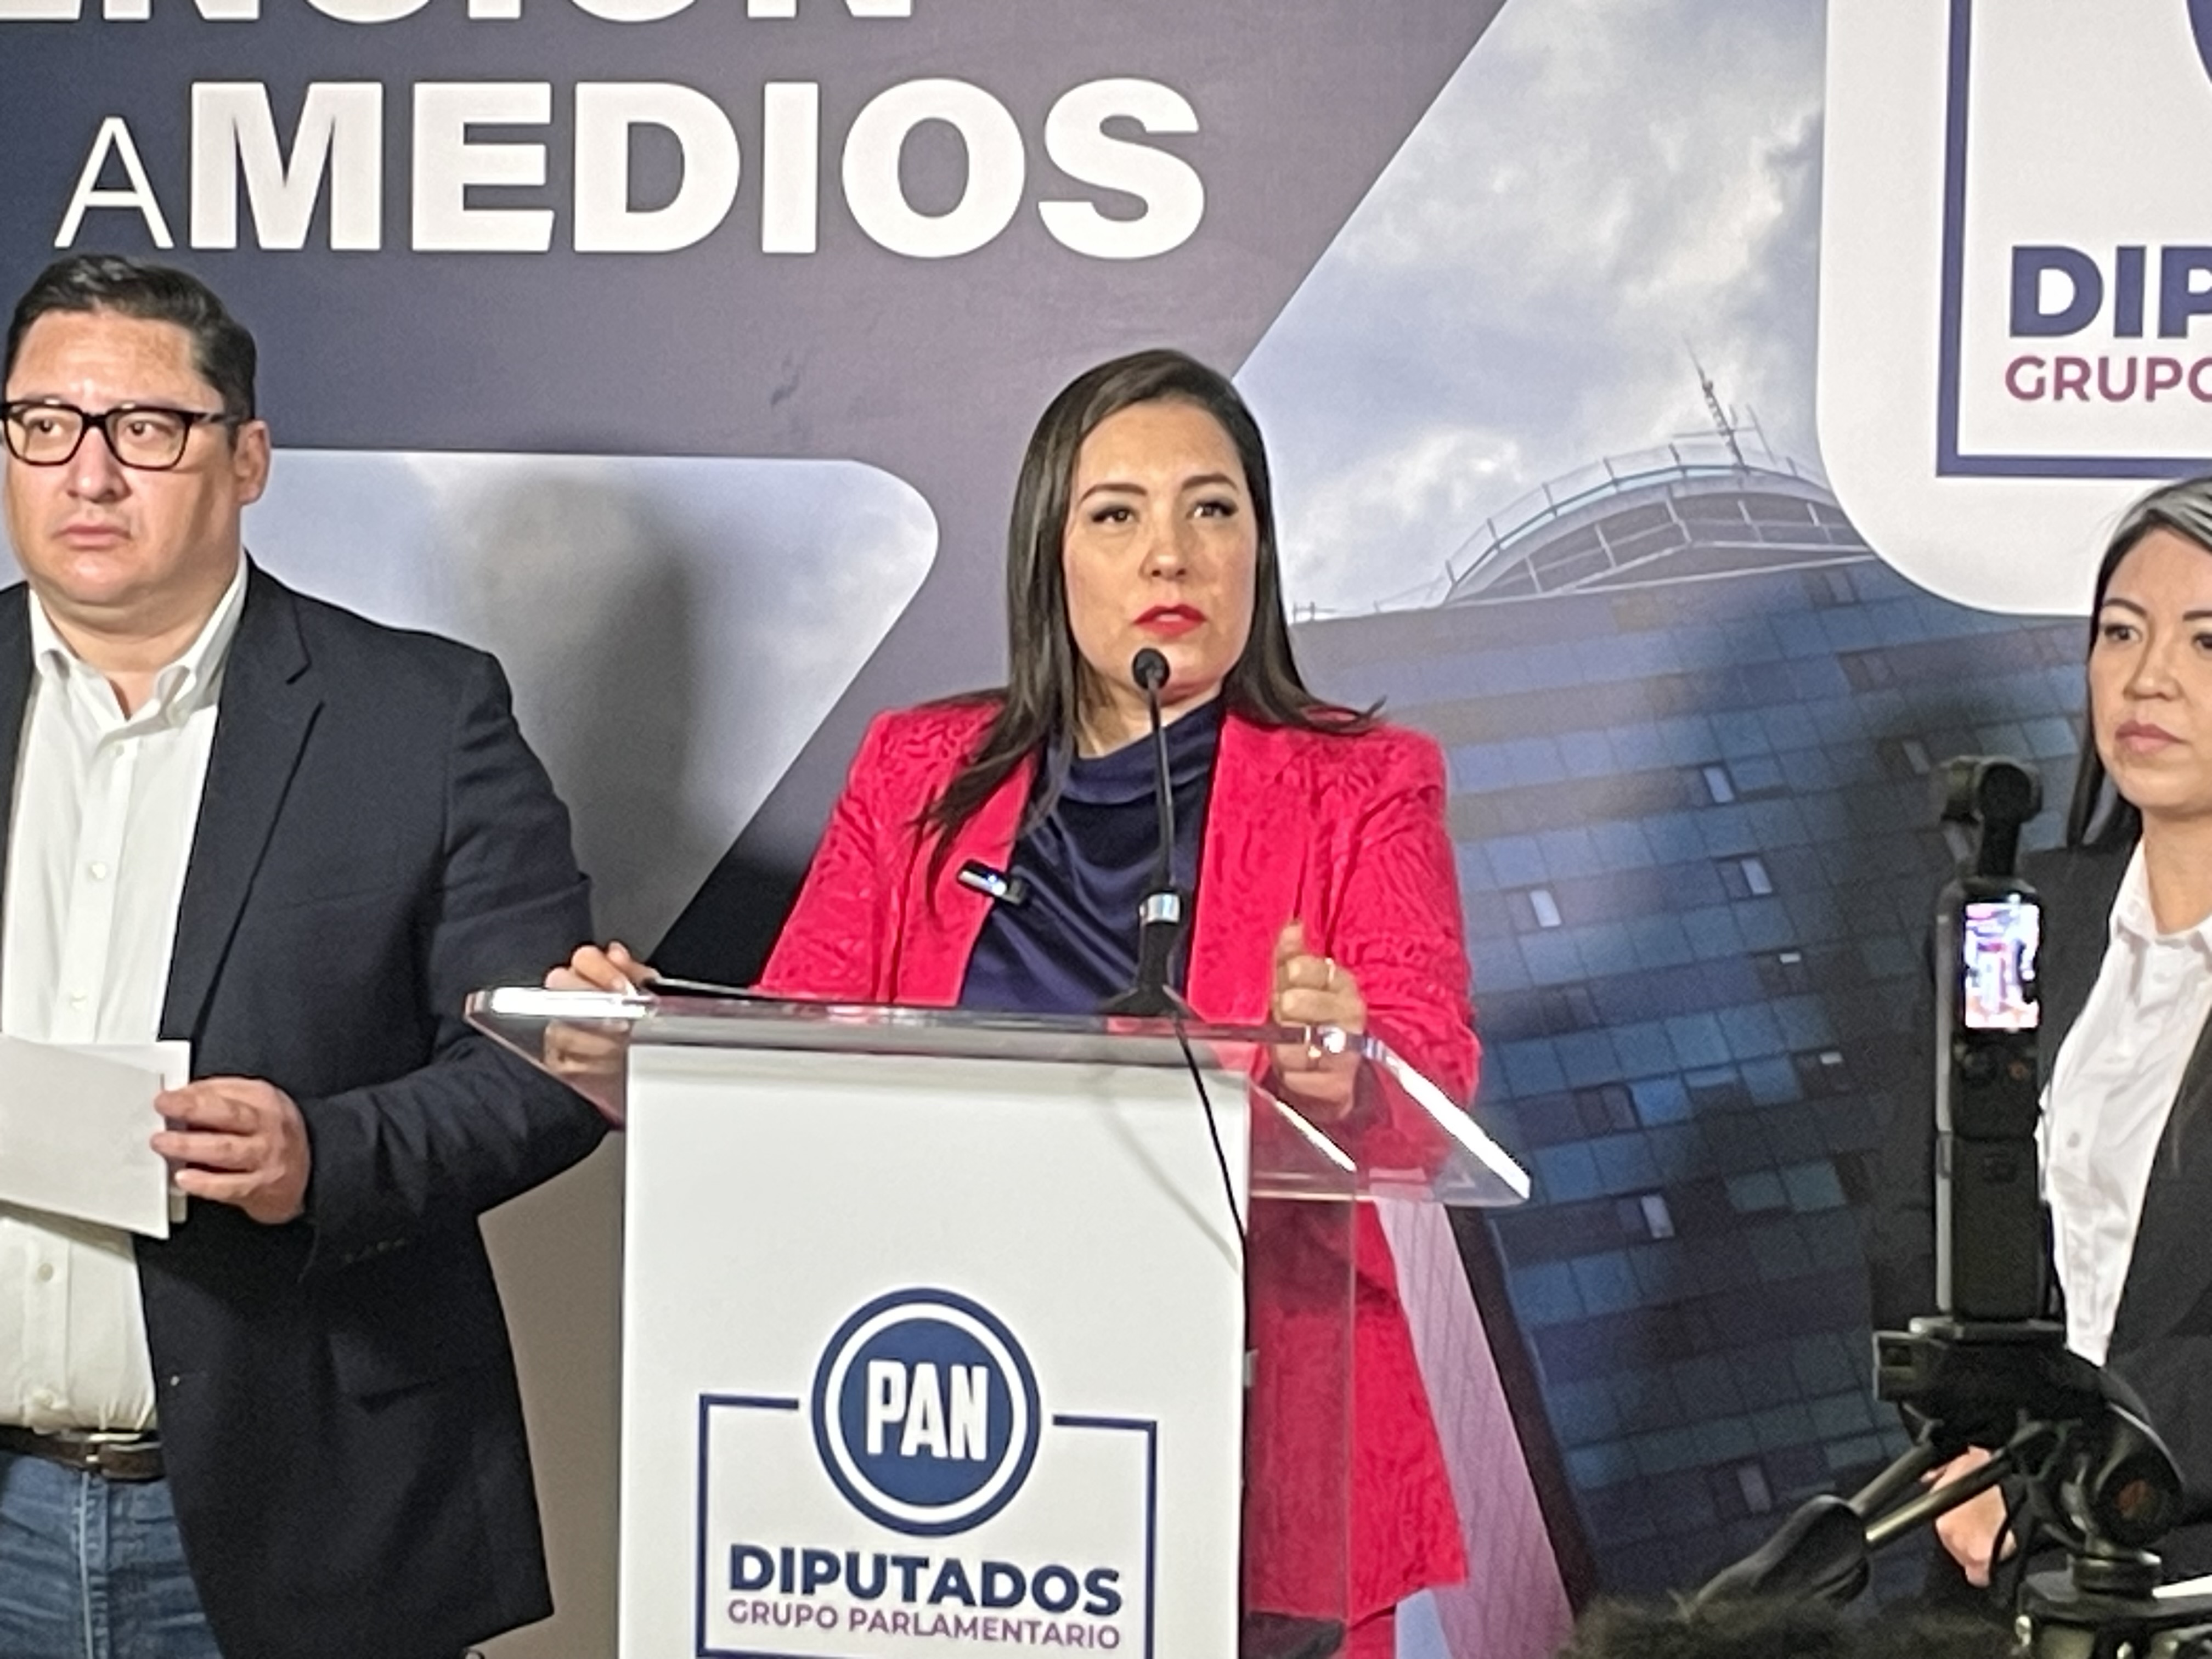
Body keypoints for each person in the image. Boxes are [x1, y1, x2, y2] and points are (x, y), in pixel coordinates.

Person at [563, 347, 1479, 1655]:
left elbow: (1431, 1090)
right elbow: (793, 1052)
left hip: (1253, 1453)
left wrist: (1349, 1063)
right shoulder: (918, 770)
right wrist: (643, 1067)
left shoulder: (1366, 783)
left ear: (1260, 551)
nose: (1170, 554)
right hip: (949, 1422)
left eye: (1212, 509)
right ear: (1052, 556)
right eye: (1116, 514)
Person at [0, 254, 606, 1659]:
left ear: (248, 459)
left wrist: (318, 1158)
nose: (90, 472)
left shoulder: (422, 717)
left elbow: (549, 1063)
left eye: (147, 428)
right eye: (45, 424)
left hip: (303, 1514)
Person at [1869, 475, 2212, 1590]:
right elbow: (1916, 1215)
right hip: (1990, 1544)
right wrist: (1973, 1459)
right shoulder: (2015, 921)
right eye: (2121, 631)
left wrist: (2065, 1470)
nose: (2149, 677)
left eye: (2207, 641)